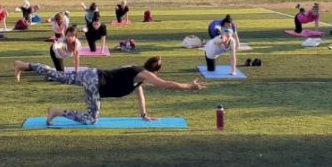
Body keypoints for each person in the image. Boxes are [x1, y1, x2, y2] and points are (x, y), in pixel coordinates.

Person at [13, 55, 205, 125]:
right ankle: (56, 111)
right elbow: (166, 85)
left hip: (92, 77)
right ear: (155, 70)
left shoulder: (138, 76)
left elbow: (140, 93)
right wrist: (190, 87)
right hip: (94, 82)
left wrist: (144, 114)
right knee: (91, 119)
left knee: (57, 75)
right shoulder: (143, 74)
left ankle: (25, 65)